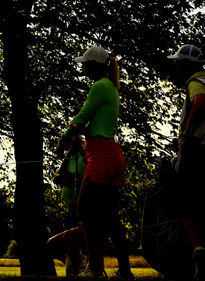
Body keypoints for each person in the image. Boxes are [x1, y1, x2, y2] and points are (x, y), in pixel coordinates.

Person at [58, 45, 133, 281]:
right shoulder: (109, 86)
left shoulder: (99, 86)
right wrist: (79, 132)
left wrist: (64, 138)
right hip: (111, 155)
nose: (82, 67)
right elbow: (91, 122)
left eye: (85, 63)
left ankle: (95, 269)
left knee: (85, 210)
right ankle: (124, 271)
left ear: (93, 65)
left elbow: (83, 115)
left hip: (101, 157)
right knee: (110, 217)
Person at [166, 44, 205, 281]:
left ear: (186, 65)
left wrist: (188, 136)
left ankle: (198, 250)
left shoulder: (196, 83)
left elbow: (200, 103)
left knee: (185, 207)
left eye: (178, 62)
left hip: (198, 152)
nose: (176, 66)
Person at [48, 134, 87, 276]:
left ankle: (82, 268)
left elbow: (89, 174)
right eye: (70, 143)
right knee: (69, 240)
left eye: (74, 142)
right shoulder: (70, 158)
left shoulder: (85, 155)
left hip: (84, 206)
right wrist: (70, 152)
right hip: (71, 206)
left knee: (82, 240)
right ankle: (72, 270)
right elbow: (57, 177)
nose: (71, 145)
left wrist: (72, 179)